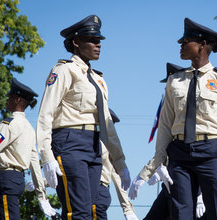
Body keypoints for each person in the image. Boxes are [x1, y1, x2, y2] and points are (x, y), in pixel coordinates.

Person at [130, 18, 217, 219]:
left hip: (211, 152)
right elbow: (164, 126)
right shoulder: (175, 80)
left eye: (186, 41)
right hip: (179, 154)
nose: (180, 45)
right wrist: (159, 162)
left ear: (202, 45)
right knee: (180, 214)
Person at [36, 15, 130, 219]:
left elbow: (108, 126)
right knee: (78, 212)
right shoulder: (64, 70)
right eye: (92, 40)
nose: (98, 45)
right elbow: (45, 114)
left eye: (99, 41)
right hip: (69, 143)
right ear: (76, 42)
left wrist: (120, 163)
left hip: (95, 146)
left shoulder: (98, 79)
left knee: (90, 211)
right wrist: (46, 157)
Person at [0, 78, 56, 219]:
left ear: (17, 100)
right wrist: (41, 196)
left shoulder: (9, 124)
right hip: (16, 180)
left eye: (10, 97)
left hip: (4, 178)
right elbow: (34, 163)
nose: (7, 100)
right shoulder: (29, 128)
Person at [94, 109, 138, 220]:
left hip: (99, 190)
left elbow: (118, 177)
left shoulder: (107, 147)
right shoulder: (83, 140)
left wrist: (127, 209)